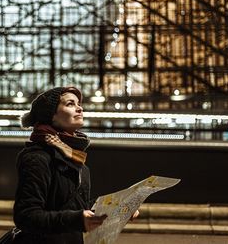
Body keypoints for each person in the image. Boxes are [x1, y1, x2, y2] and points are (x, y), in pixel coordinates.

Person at [12, 86, 138, 244]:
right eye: (70, 104)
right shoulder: (37, 158)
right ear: (50, 115)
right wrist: (77, 220)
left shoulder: (77, 160)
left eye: (79, 104)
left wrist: (117, 210)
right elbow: (25, 216)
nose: (79, 108)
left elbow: (75, 206)